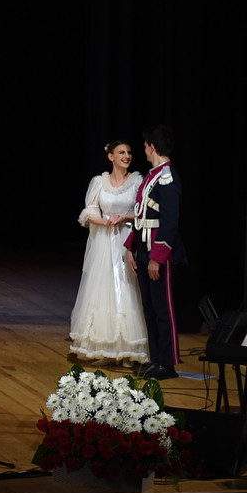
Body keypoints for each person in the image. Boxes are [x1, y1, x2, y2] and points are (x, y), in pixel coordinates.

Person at [69, 140, 148, 364]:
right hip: (104, 242)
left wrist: (124, 218)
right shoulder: (99, 182)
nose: (127, 156)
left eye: (129, 152)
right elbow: (89, 211)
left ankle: (128, 349)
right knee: (103, 289)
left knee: (126, 288)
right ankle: (104, 348)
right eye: (121, 152)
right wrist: (105, 222)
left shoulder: (137, 181)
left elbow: (142, 212)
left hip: (126, 240)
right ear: (111, 156)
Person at [123, 125, 184, 380]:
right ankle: (156, 359)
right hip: (144, 251)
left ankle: (167, 364)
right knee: (149, 309)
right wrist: (131, 246)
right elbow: (141, 216)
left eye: (146, 146)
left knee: (162, 310)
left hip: (158, 254)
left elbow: (169, 223)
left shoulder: (167, 177)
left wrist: (157, 259)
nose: (144, 150)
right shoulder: (153, 176)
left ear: (153, 147)